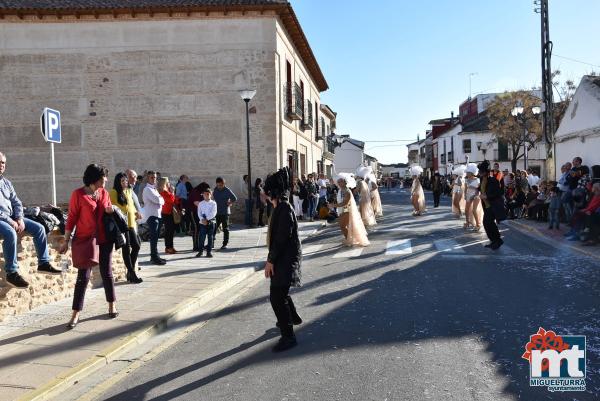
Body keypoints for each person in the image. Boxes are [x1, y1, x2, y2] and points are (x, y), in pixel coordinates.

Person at [60, 164, 118, 329]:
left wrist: (110, 210)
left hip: (104, 239)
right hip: (85, 240)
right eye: (103, 178)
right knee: (83, 278)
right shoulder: (78, 194)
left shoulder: (104, 193)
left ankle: (112, 304)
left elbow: (108, 213)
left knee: (107, 272)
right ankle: (76, 313)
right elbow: (71, 218)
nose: (105, 181)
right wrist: (66, 240)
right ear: (95, 179)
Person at [0, 152, 61, 288]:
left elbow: (17, 203)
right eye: (0, 162)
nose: (1, 165)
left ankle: (43, 263)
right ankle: (11, 273)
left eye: (3, 163)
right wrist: (12, 222)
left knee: (39, 228)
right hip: (3, 219)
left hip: (13, 217)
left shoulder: (6, 183)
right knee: (10, 232)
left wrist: (20, 218)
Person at [262, 167, 302, 352]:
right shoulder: (280, 207)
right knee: (280, 294)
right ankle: (291, 318)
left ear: (273, 193)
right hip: (282, 258)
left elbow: (280, 239)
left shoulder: (284, 209)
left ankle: (288, 337)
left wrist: (270, 260)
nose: (265, 195)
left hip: (285, 259)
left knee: (277, 297)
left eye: (267, 192)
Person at [109, 172, 142, 284]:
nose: (124, 183)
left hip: (131, 222)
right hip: (122, 224)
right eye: (122, 181)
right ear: (118, 182)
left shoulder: (128, 190)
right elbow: (112, 207)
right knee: (126, 249)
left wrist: (136, 212)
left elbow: (131, 205)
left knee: (137, 245)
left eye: (126, 180)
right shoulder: (113, 192)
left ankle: (130, 271)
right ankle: (132, 273)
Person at [331, 173, 370, 247]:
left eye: (341, 181)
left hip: (347, 211)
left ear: (345, 182)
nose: (339, 183)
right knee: (345, 226)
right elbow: (340, 200)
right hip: (342, 210)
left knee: (343, 226)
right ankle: (350, 239)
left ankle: (349, 240)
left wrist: (333, 205)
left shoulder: (347, 191)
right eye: (338, 181)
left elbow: (344, 203)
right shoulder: (340, 190)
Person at [479, 160, 506, 250]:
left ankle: (497, 240)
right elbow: (481, 188)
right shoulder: (482, 179)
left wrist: (487, 196)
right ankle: (494, 240)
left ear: (485, 172)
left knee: (488, 222)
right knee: (487, 223)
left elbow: (499, 192)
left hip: (493, 205)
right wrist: (476, 190)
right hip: (486, 205)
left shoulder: (493, 180)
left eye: (481, 172)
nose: (479, 173)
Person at [142, 171, 166, 265]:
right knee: (153, 237)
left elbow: (162, 201)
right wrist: (160, 199)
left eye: (155, 177)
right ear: (148, 178)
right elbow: (157, 200)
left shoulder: (154, 189)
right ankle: (154, 257)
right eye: (152, 177)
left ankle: (155, 255)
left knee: (156, 238)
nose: (154, 179)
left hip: (157, 215)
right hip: (152, 216)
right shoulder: (147, 189)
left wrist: (160, 199)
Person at [213, 177, 237, 249]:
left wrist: (229, 202)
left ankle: (225, 244)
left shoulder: (227, 190)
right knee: (214, 228)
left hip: (225, 212)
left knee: (225, 228)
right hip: (216, 212)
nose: (219, 187)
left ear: (223, 184)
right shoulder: (215, 190)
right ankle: (211, 243)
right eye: (218, 185)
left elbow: (234, 198)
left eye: (220, 185)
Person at [158, 177, 178, 255]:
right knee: (169, 231)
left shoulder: (166, 191)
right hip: (166, 213)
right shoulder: (164, 192)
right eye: (168, 182)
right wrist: (172, 192)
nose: (169, 183)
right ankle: (168, 247)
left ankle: (170, 246)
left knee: (171, 231)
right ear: (165, 183)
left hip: (169, 213)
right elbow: (172, 200)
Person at [196, 188, 217, 258]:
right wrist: (202, 219)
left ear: (211, 195)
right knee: (202, 237)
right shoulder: (201, 203)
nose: (206, 196)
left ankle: (209, 252)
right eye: (205, 194)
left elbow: (213, 213)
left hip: (211, 222)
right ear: (203, 195)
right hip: (202, 223)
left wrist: (207, 219)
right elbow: (199, 213)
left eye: (208, 194)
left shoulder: (213, 203)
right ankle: (200, 251)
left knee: (210, 237)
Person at [464, 163, 482, 231]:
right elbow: (466, 189)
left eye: (468, 172)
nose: (467, 173)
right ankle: (467, 222)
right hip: (469, 195)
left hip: (476, 195)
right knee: (466, 210)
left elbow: (478, 190)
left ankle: (478, 225)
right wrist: (465, 196)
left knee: (474, 210)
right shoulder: (466, 180)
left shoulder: (477, 180)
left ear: (471, 173)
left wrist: (474, 196)